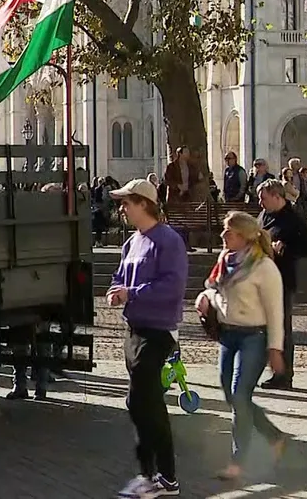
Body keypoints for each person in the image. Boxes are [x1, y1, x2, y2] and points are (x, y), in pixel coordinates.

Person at [106, 178, 188, 498]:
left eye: (127, 202)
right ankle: (158, 477)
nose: (122, 208)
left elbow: (173, 286)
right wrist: (117, 291)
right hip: (134, 330)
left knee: (140, 401)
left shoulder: (168, 240)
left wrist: (132, 293)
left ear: (143, 203)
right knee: (147, 404)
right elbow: (120, 275)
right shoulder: (132, 242)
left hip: (159, 332)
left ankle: (156, 475)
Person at [197, 212, 288, 481]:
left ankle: (237, 462)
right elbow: (212, 287)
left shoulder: (264, 267)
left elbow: (275, 312)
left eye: (230, 232)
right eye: (224, 231)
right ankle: (274, 436)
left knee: (240, 395)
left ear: (245, 236)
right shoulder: (225, 260)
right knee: (232, 396)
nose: (224, 236)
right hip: (228, 335)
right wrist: (207, 298)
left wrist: (275, 349)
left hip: (254, 337)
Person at [256, 179, 307, 390]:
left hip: (282, 279)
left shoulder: (292, 219)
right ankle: (270, 369)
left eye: (263, 198)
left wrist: (285, 247)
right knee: (263, 328)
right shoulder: (263, 216)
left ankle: (283, 375)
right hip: (260, 278)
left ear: (276, 197)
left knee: (281, 329)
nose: (260, 202)